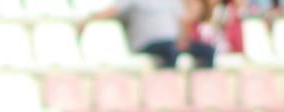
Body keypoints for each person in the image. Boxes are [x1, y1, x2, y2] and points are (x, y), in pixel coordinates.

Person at [86, 0, 215, 69]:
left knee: (208, 51)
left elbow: (181, 20)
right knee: (171, 50)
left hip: (172, 42)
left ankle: (203, 94)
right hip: (146, 43)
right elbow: (113, 10)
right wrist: (88, 21)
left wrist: (184, 39)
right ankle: (165, 91)